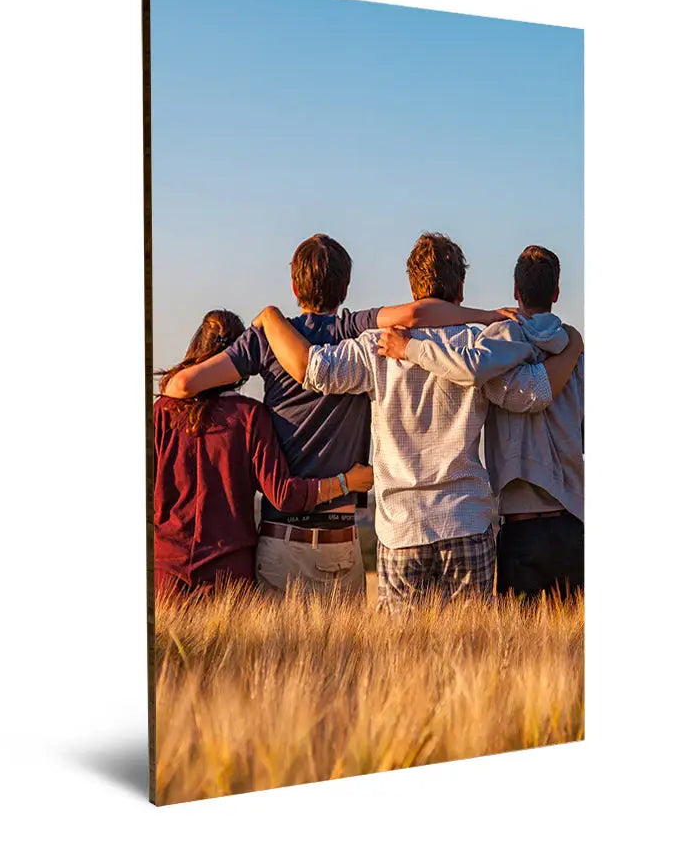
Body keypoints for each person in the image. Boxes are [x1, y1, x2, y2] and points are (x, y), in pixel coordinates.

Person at [162, 234, 514, 598]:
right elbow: (414, 313)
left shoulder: (266, 339)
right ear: (345, 288)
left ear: (294, 285)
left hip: (283, 536)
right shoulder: (354, 329)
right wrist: (488, 315)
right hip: (344, 536)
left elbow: (183, 385)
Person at [252, 233, 582, 609]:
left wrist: (270, 318)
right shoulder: (479, 346)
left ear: (413, 288)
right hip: (466, 520)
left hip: (401, 528)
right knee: (471, 657)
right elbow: (532, 394)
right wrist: (571, 344)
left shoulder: (376, 345)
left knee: (404, 654)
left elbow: (314, 370)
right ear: (460, 289)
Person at [378, 245, 584, 600]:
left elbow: (510, 385)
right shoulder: (577, 357)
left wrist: (410, 349)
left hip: (521, 529)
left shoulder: (498, 346)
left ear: (516, 292)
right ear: (557, 293)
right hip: (575, 524)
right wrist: (574, 346)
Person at [154, 309, 373, 595]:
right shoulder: (249, 417)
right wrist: (347, 482)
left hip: (164, 572)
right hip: (229, 576)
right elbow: (284, 495)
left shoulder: (160, 414)